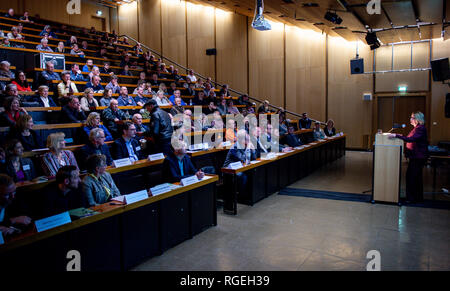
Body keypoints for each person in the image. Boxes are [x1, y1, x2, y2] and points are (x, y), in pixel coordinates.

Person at [389, 111, 429, 203]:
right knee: (415, 177)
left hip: (418, 157)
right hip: (415, 157)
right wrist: (399, 136)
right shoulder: (416, 128)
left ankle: (412, 198)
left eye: (412, 118)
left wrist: (396, 135)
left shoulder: (420, 128)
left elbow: (411, 139)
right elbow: (409, 138)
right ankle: (416, 197)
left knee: (412, 177)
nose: (410, 119)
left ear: (418, 119)